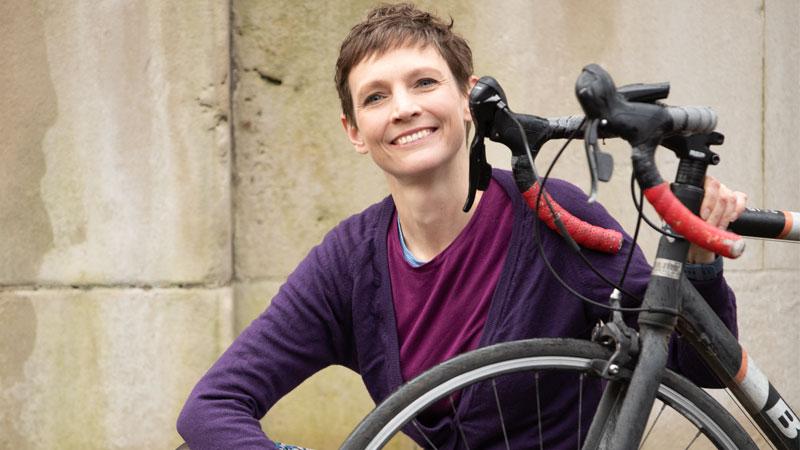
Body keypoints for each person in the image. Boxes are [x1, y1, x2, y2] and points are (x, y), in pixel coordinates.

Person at [177, 3, 747, 449]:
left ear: (467, 101)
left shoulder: (552, 218)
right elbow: (212, 408)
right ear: (354, 131)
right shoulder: (349, 263)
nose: (403, 107)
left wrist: (698, 262)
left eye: (423, 83)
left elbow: (697, 367)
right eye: (376, 96)